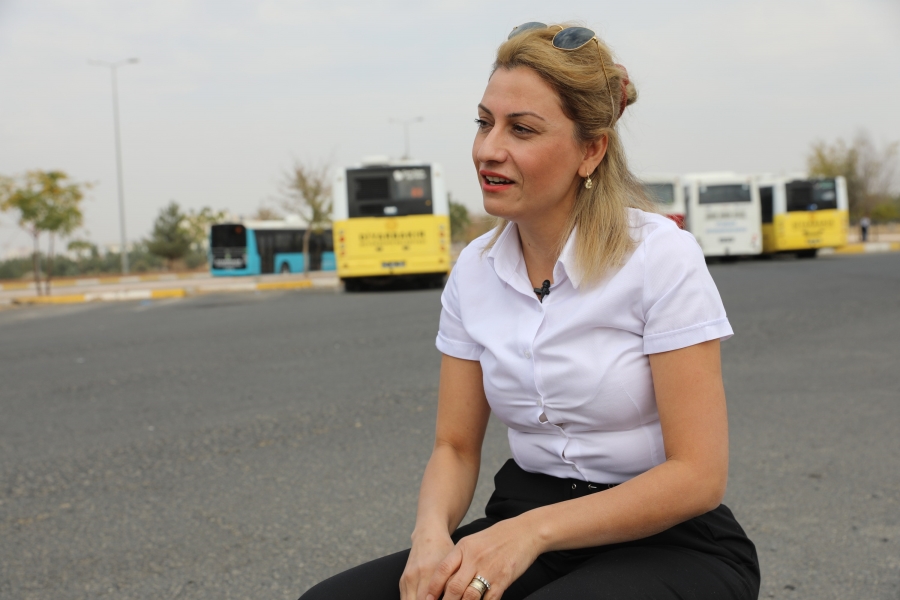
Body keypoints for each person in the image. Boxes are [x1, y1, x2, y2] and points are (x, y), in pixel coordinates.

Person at [299, 22, 759, 600]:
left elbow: (698, 475)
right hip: (524, 516)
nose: (488, 149)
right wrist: (430, 538)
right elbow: (454, 447)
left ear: (591, 151)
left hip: (668, 539)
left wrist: (531, 534)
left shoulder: (659, 256)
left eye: (521, 129)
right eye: (484, 122)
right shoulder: (473, 270)